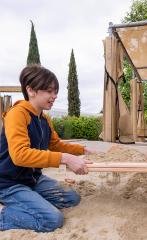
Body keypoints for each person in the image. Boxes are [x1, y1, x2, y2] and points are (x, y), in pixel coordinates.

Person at [0, 64, 93, 232]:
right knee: (52, 220)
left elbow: (55, 144)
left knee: (72, 198)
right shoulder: (17, 114)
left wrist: (82, 150)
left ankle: (29, 199)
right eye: (49, 91)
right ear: (31, 90)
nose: (54, 96)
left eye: (55, 91)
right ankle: (3, 213)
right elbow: (19, 155)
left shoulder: (44, 119)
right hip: (8, 183)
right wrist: (65, 158)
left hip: (33, 179)